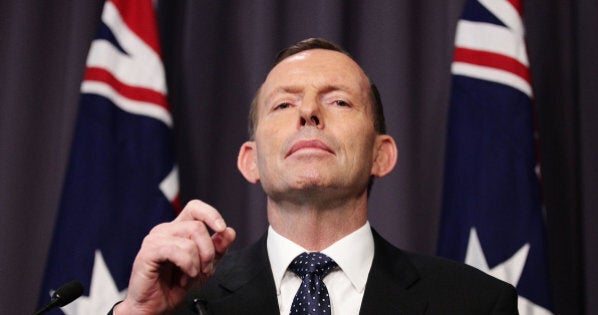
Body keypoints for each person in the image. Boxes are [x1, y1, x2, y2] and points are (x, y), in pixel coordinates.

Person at [112, 38, 518, 314]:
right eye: (284, 104)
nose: (308, 112)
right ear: (250, 160)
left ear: (381, 154)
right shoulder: (177, 302)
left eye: (338, 100)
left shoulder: (474, 303)